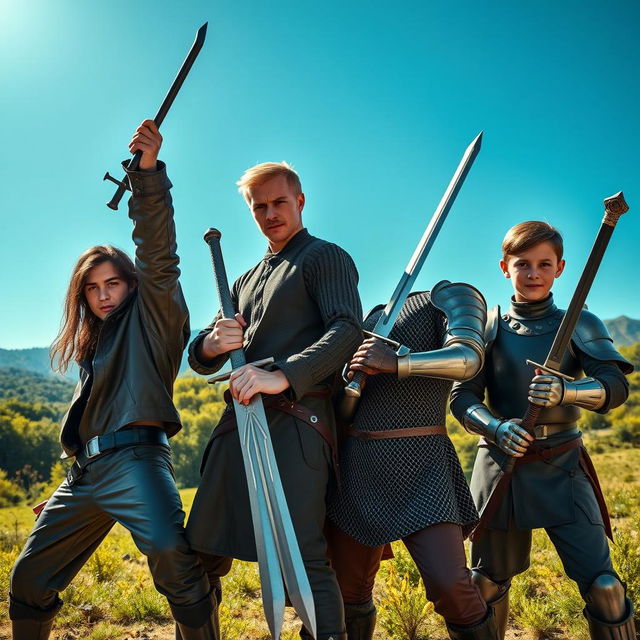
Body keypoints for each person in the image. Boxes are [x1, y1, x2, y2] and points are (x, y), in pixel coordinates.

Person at [9, 121, 216, 640]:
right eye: (92, 289)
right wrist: (73, 472)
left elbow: (159, 256)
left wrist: (147, 177)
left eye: (113, 283)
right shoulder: (95, 348)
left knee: (173, 560)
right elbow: (96, 419)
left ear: (132, 284)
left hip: (138, 462)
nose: (103, 295)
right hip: (85, 475)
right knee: (28, 578)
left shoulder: (155, 318)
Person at [186, 161, 362, 640]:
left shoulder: (325, 257)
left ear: (299, 201)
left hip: (298, 424)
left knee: (301, 557)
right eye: (258, 206)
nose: (269, 213)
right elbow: (200, 357)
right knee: (198, 551)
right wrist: (211, 342)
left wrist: (284, 375)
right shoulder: (243, 281)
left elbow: (347, 330)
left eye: (278, 202)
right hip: (238, 427)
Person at [450, 221, 635, 640]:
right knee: (485, 585)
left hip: (562, 466)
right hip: (500, 465)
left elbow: (616, 386)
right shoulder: (487, 326)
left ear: (560, 268)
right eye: (523, 264)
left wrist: (568, 391)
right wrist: (496, 428)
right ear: (504, 267)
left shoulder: (580, 324)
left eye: (544, 264)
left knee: (605, 587)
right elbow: (462, 398)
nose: (533, 273)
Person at [326, 282, 500, 640]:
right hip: (360, 467)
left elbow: (468, 359)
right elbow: (343, 408)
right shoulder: (367, 318)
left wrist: (397, 362)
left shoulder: (448, 297)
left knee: (452, 587)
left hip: (424, 464)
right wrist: (348, 376)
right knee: (348, 594)